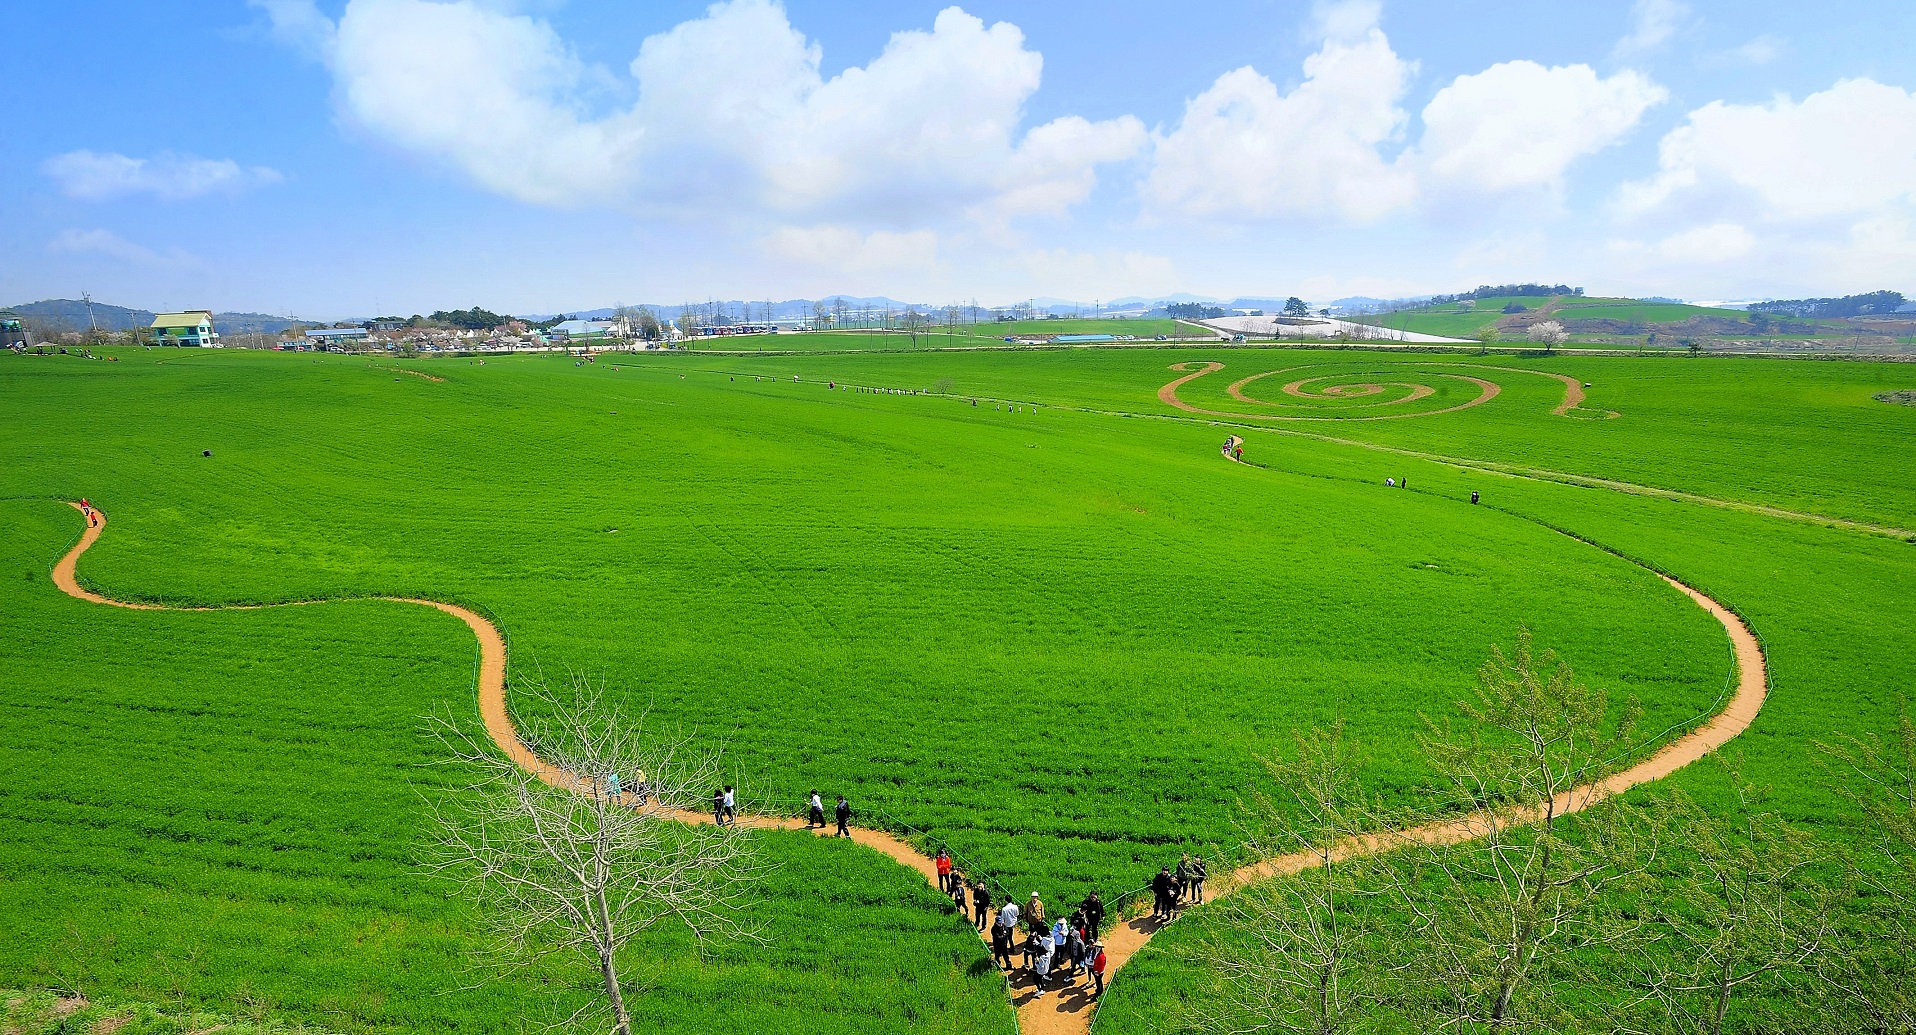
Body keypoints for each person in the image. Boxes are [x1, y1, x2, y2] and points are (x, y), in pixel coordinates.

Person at [991, 903, 1016, 970]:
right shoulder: (994, 929)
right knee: (997, 956)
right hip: (997, 945)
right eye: (999, 923)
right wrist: (1004, 935)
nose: (1001, 924)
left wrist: (1004, 935)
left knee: (1006, 956)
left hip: (1004, 945)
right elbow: (999, 938)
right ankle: (997, 966)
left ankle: (1009, 966)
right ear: (996, 922)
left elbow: (1007, 932)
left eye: (1001, 922)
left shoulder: (1003, 926)